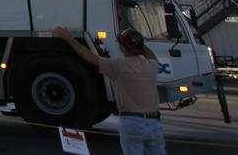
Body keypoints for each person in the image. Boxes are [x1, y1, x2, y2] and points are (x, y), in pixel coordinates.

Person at [54, 26, 166, 154]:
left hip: (132, 121)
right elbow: (150, 56)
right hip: (153, 122)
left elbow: (90, 57)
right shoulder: (151, 66)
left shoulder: (118, 66)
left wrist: (69, 39)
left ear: (123, 48)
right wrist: (139, 45)